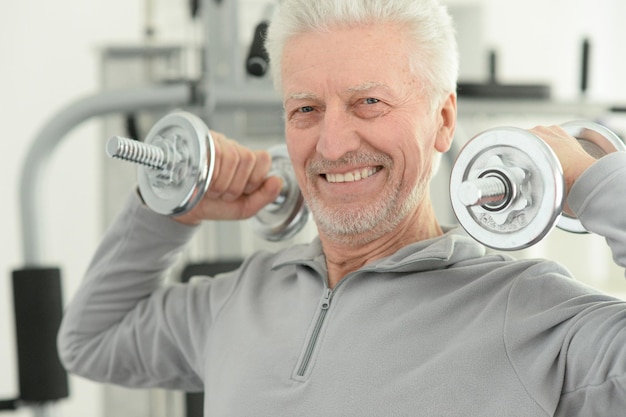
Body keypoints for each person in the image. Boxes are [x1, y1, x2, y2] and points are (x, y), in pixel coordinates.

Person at [58, 0, 626, 415]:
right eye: (306, 109)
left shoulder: (527, 315)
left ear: (443, 120)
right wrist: (174, 210)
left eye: (369, 103)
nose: (331, 146)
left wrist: (597, 182)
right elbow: (89, 342)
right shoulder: (239, 298)